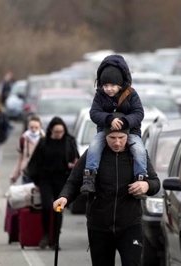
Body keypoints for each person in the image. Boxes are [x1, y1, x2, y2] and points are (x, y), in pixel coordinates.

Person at [53, 120, 160, 266]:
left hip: (130, 225)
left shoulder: (137, 155)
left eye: (121, 138)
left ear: (127, 137)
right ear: (104, 137)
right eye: (112, 138)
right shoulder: (93, 154)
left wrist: (146, 185)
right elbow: (74, 181)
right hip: (99, 226)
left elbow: (155, 183)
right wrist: (64, 197)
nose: (117, 143)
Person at [81, 55, 147, 200]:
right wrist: (109, 119)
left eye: (112, 85)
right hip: (105, 132)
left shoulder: (131, 94)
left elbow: (139, 113)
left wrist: (124, 122)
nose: (109, 89)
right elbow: (94, 113)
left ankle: (140, 178)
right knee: (94, 146)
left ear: (119, 84)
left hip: (131, 132)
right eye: (105, 86)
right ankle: (89, 177)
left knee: (139, 150)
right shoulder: (99, 96)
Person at [26, 117, 79, 249]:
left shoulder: (69, 141)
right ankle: (45, 234)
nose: (58, 134)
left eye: (61, 132)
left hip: (62, 180)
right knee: (46, 207)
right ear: (50, 130)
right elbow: (34, 162)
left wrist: (73, 165)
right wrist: (35, 180)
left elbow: (76, 158)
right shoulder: (44, 142)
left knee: (58, 209)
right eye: (56, 132)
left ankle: (55, 238)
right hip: (45, 180)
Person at [10, 115, 45, 184]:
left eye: (36, 127)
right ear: (28, 127)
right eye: (31, 127)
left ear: (40, 127)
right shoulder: (23, 139)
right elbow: (20, 159)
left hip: (40, 174)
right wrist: (15, 175)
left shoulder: (44, 139)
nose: (34, 130)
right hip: (26, 172)